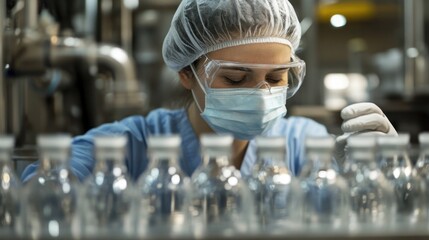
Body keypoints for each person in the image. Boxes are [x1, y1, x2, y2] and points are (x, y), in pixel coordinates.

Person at [21, 0, 397, 182]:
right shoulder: (133, 146)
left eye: (276, 77)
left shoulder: (305, 146)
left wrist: (378, 167)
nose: (260, 93)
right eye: (235, 79)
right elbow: (37, 189)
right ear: (188, 74)